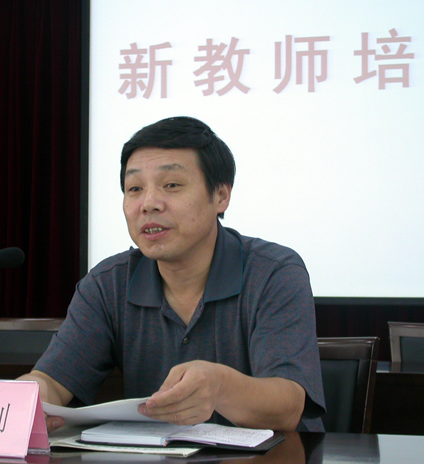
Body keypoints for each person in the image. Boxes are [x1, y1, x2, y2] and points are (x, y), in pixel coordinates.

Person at [19, 116, 325, 432]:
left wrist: (220, 385)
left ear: (221, 196)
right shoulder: (107, 284)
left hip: (276, 457)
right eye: (134, 188)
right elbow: (51, 381)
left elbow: (288, 406)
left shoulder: (274, 273)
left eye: (172, 185)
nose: (148, 204)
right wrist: (25, 398)